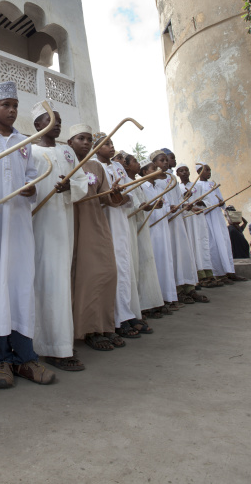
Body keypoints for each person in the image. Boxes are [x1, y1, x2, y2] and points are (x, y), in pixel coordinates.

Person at [0, 82, 54, 388]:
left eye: (15, 106)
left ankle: (25, 358)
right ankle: (0, 361)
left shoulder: (25, 142)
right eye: (5, 105)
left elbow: (32, 175)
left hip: (20, 224)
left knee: (21, 287)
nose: (11, 111)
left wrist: (32, 187)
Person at [31, 100, 88, 371]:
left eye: (59, 119)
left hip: (63, 225)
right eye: (50, 118)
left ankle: (60, 344)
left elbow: (81, 184)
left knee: (59, 282)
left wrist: (69, 190)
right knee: (43, 281)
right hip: (38, 225)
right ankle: (48, 346)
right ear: (37, 125)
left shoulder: (67, 152)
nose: (58, 123)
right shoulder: (28, 151)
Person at [68, 125, 121, 351]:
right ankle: (88, 329)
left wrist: (116, 194)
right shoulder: (64, 162)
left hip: (95, 223)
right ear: (70, 142)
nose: (87, 143)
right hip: (70, 224)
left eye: (89, 139)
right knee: (80, 276)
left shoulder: (96, 166)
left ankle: (103, 325)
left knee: (105, 272)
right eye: (81, 138)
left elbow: (109, 200)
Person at [95, 134, 146, 338]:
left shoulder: (117, 168)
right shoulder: (92, 165)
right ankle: (114, 318)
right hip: (104, 221)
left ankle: (125, 313)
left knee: (124, 266)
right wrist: (110, 196)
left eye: (112, 143)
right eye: (106, 143)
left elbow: (129, 193)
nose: (111, 146)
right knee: (111, 269)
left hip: (120, 220)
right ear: (96, 147)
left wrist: (120, 195)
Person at [158, 149, 208, 305]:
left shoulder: (172, 178)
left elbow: (179, 199)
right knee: (173, 254)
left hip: (178, 221)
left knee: (184, 254)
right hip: (167, 223)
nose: (166, 162)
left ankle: (189, 287)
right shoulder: (155, 181)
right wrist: (168, 209)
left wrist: (189, 206)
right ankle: (178, 290)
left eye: (168, 160)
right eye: (163, 160)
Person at [123, 153, 164, 318]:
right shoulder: (127, 182)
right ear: (126, 166)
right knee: (137, 264)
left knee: (146, 263)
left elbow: (144, 203)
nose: (137, 163)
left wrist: (153, 205)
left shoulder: (139, 184)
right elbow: (130, 205)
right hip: (132, 226)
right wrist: (146, 207)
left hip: (141, 226)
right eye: (134, 161)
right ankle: (140, 306)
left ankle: (149, 303)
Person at [196, 163, 246, 283]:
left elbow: (221, 200)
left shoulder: (213, 184)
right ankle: (218, 274)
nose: (209, 172)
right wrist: (205, 206)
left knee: (224, 242)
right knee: (212, 245)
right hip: (207, 218)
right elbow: (198, 203)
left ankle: (230, 271)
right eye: (206, 170)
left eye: (210, 170)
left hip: (218, 217)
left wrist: (223, 206)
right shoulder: (196, 185)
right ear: (199, 171)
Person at [141, 160, 178, 312]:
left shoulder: (160, 186)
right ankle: (152, 300)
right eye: (153, 168)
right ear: (145, 172)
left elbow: (166, 204)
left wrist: (171, 208)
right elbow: (140, 206)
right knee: (153, 262)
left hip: (162, 228)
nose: (156, 169)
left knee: (164, 261)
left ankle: (166, 296)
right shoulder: (141, 186)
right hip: (150, 229)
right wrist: (152, 206)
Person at [176, 163, 219, 287]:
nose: (184, 173)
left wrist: (200, 201)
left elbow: (207, 200)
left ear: (190, 173)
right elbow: (178, 203)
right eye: (181, 171)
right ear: (177, 174)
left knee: (202, 244)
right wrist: (184, 198)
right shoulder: (177, 188)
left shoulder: (198, 186)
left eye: (186, 170)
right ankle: (198, 276)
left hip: (198, 219)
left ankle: (208, 273)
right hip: (187, 220)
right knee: (191, 245)